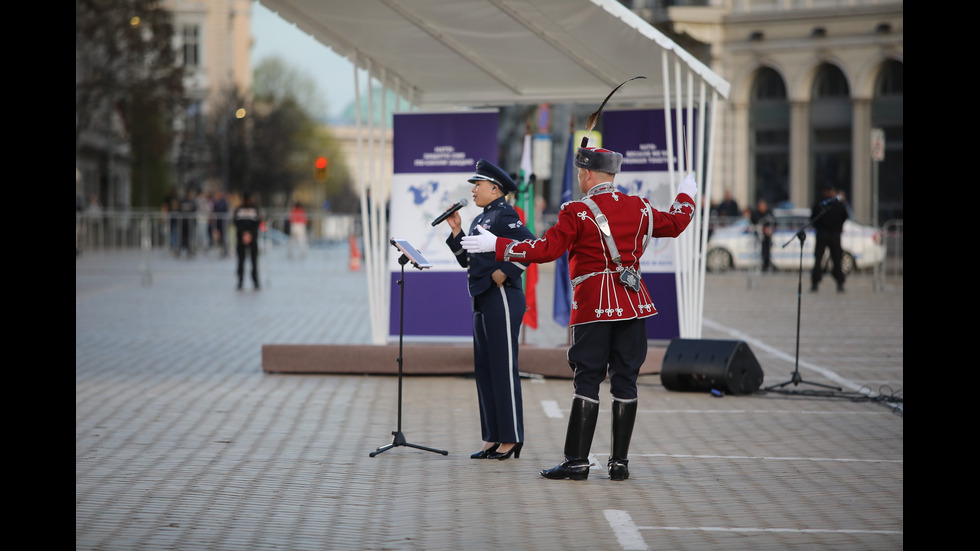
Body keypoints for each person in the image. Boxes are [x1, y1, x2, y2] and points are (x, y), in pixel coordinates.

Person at [461, 146, 697, 481]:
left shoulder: (577, 211)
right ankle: (619, 463)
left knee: (588, 378)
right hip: (634, 302)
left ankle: (577, 461)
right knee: (625, 381)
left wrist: (499, 246)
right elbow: (677, 222)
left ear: (587, 174)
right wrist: (686, 194)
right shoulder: (640, 207)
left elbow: (546, 250)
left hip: (594, 306)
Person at [444, 159, 535, 461]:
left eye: (478, 185)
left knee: (503, 369)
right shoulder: (479, 219)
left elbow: (530, 244)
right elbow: (466, 261)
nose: (473, 190)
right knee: (485, 370)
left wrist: (508, 270)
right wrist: (457, 231)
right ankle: (492, 437)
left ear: (494, 189)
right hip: (483, 297)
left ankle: (511, 438)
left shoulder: (505, 215)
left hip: (503, 297)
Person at [810, 184, 848, 293]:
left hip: (824, 234)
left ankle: (815, 283)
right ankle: (839, 283)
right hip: (833, 234)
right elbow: (844, 216)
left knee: (823, 259)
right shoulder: (833, 203)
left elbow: (813, 217)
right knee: (835, 259)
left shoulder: (820, 203)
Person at [234, 193, 263, 290]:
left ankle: (255, 281)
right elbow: (236, 223)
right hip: (241, 239)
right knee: (241, 261)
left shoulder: (255, 209)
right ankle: (240, 281)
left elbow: (257, 223)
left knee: (254, 262)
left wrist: (250, 234)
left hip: (253, 239)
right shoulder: (239, 210)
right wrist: (243, 234)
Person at [750, 198, 775, 273]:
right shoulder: (756, 213)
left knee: (767, 250)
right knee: (762, 250)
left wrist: (769, 229)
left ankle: (767, 264)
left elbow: (773, 222)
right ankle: (764, 265)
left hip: (768, 237)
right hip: (759, 236)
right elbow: (755, 222)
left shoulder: (769, 213)